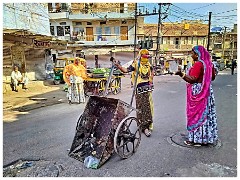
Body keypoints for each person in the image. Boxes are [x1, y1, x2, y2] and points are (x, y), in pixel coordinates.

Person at [175, 45, 218, 146]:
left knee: (195, 115)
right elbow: (212, 78)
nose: (191, 55)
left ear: (197, 54)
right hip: (207, 91)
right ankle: (205, 138)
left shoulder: (198, 64)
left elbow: (192, 79)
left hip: (198, 91)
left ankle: (194, 140)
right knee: (205, 115)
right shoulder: (209, 64)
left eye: (192, 53)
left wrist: (181, 74)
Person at [113, 49, 154, 137]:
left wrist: (151, 79)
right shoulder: (136, 64)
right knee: (141, 107)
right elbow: (125, 70)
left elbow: (151, 73)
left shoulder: (148, 65)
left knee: (147, 107)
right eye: (144, 56)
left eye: (147, 56)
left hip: (147, 89)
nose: (146, 58)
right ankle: (143, 127)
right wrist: (118, 66)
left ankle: (147, 125)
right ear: (141, 56)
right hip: (139, 89)